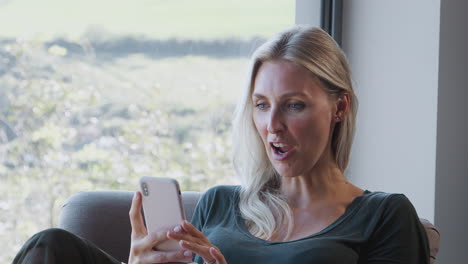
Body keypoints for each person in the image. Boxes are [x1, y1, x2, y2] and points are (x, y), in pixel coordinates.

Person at [13, 26, 430, 264]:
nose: (273, 126)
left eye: (294, 106)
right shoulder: (221, 204)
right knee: (50, 248)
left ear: (339, 108)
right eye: (261, 106)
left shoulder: (383, 216)